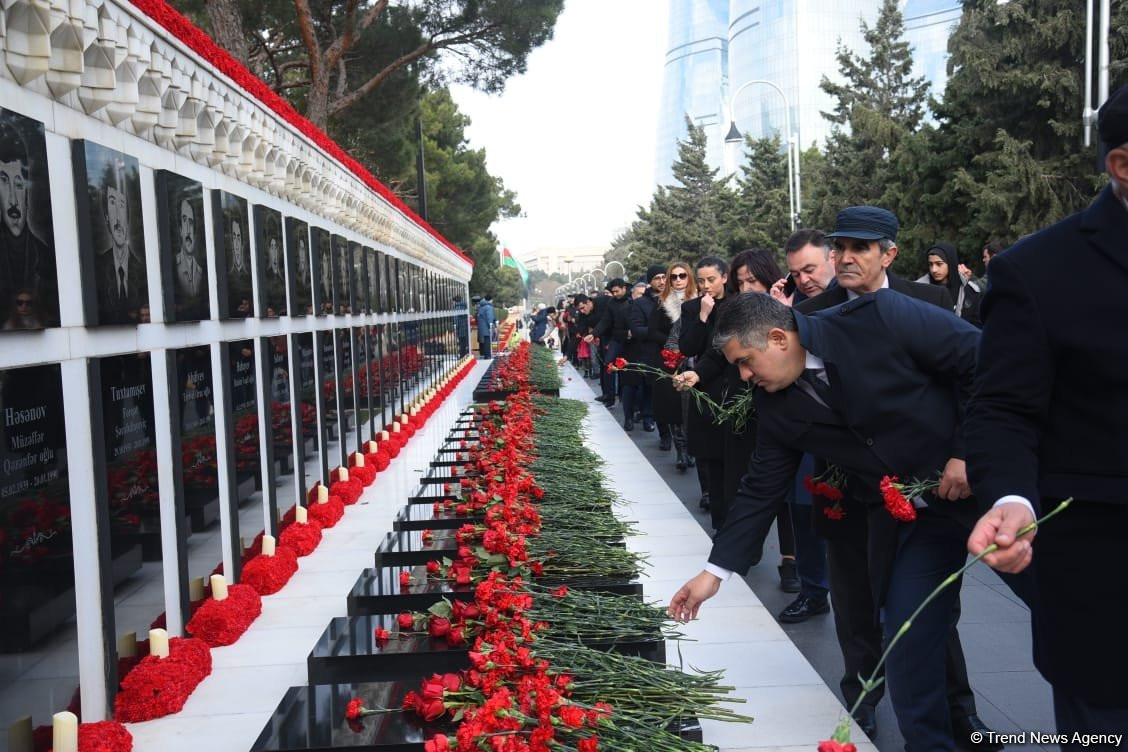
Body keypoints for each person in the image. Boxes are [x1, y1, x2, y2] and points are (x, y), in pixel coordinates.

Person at [669, 289, 985, 752]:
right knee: (908, 641)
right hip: (916, 521)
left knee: (1061, 622)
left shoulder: (879, 319)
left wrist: (966, 450)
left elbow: (983, 360)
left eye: (746, 362)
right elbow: (760, 488)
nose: (744, 376)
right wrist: (713, 573)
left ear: (778, 338)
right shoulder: (775, 404)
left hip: (992, 491)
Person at [792, 208, 992, 747]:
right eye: (840, 247)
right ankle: (864, 702)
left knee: (928, 610)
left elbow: (968, 378)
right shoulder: (811, 316)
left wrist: (962, 453)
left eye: (860, 247)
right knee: (856, 604)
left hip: (929, 488)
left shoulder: (925, 302)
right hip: (846, 490)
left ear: (890, 254)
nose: (845, 258)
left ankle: (961, 712)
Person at [964, 86, 1128, 745]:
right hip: (1105, 588)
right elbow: (1003, 410)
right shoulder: (1038, 271)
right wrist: (1012, 498)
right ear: (1122, 165)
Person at [0, 117, 56, 328]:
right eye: (4, 182)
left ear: (27, 192)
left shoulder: (44, 255)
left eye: (19, 184)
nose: (13, 200)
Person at [95, 172, 146, 325]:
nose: (118, 218)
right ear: (106, 217)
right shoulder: (97, 266)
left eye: (122, 205)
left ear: (128, 217)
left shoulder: (142, 267)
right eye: (112, 204)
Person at [917, 242, 981, 326]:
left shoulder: (969, 291)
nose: (934, 269)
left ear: (950, 263)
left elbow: (976, 324)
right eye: (931, 264)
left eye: (939, 264)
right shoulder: (920, 289)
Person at [770, 228, 837, 306]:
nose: (803, 280)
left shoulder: (849, 293)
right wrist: (783, 310)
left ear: (833, 258)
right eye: (795, 275)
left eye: (809, 270)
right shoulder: (795, 301)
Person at [174, 193, 204, 298]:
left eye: (191, 223)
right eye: (184, 220)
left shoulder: (200, 272)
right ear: (180, 230)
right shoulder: (175, 266)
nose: (188, 230)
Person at [226, 215, 252, 318]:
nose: (236, 243)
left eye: (238, 237)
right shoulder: (228, 273)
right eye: (234, 237)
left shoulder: (248, 271)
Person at [476, 294, 496, 359]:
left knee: (482, 341)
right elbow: (489, 317)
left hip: (481, 326)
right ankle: (487, 355)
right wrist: (491, 326)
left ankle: (482, 354)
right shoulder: (488, 307)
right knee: (487, 340)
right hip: (486, 327)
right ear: (491, 300)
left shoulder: (480, 306)